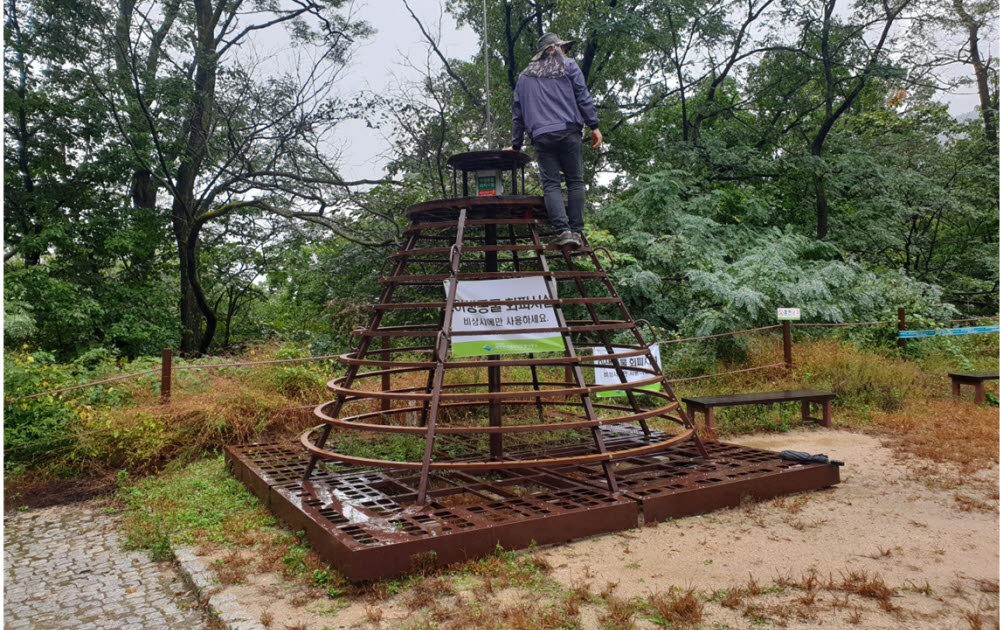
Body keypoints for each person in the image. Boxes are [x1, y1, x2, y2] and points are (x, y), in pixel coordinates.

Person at [505, 33, 602, 248]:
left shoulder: (524, 77)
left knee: (551, 184)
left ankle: (563, 231)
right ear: (555, 48)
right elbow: (582, 96)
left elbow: (518, 114)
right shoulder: (568, 66)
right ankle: (576, 232)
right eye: (563, 48)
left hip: (541, 135)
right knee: (575, 181)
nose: (565, 52)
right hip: (568, 131)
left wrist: (516, 145)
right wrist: (593, 125)